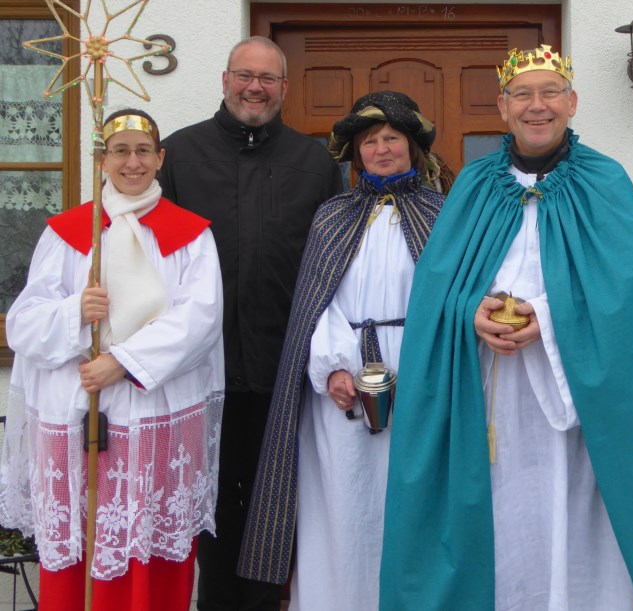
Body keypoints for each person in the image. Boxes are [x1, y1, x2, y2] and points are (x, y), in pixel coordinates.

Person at [378, 45, 633, 610]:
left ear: (572, 102)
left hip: (582, 399)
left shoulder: (605, 181)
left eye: (550, 93)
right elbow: (439, 288)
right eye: (523, 96)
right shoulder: (474, 185)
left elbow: (629, 296)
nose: (538, 107)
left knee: (574, 517)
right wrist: (472, 313)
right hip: (493, 393)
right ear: (503, 108)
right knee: (505, 514)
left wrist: (551, 317)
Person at [0, 109, 224, 611]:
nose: (132, 162)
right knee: (80, 547)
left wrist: (121, 361)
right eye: (120, 150)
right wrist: (74, 312)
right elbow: (24, 323)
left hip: (154, 414)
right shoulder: (68, 232)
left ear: (160, 158)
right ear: (102, 159)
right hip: (78, 414)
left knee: (150, 547)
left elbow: (200, 320)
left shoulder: (190, 236)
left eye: (143, 151)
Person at [237, 91, 448, 609]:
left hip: (418, 369)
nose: (381, 149)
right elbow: (317, 301)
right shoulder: (333, 216)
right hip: (342, 377)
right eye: (370, 141)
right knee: (342, 500)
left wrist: (426, 368)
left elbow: (449, 296)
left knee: (413, 497)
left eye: (392, 138)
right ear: (357, 153)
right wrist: (333, 367)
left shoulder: (443, 214)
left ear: (412, 147)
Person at [158, 36, 343, 611]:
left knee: (276, 520)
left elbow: (336, 264)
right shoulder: (179, 155)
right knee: (209, 518)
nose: (255, 88)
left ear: (284, 89)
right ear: (224, 79)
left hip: (284, 375)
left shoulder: (313, 163)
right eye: (245, 75)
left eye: (267, 79)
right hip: (199, 377)